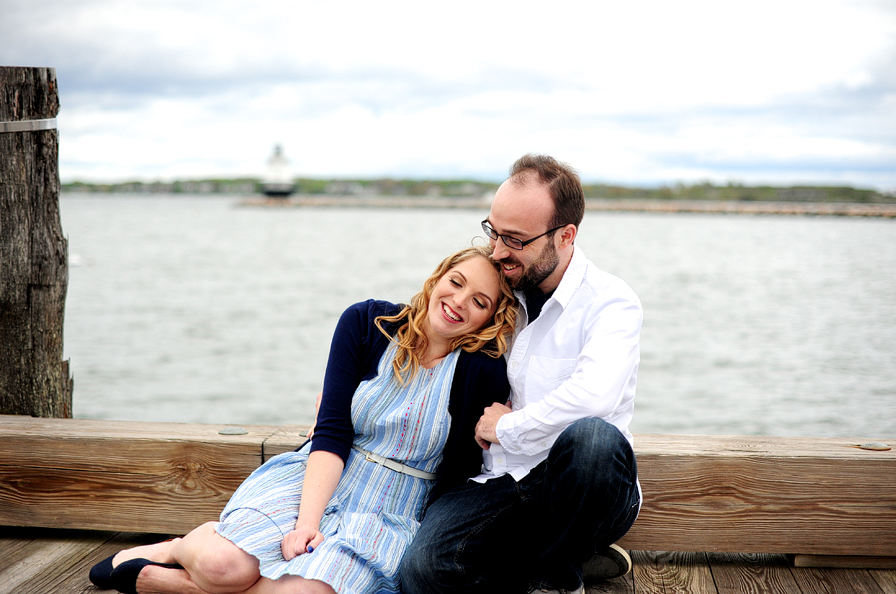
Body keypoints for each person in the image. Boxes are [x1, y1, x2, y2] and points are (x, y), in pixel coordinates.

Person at [88, 246, 519, 594]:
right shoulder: (368, 323)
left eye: (479, 302)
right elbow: (332, 431)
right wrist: (307, 525)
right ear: (438, 277)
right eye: (455, 282)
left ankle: (169, 584)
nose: (459, 302)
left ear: (490, 318)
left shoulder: (480, 372)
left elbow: (459, 473)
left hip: (391, 511)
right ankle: (183, 546)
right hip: (318, 476)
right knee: (225, 568)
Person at [400, 155, 643, 594]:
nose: (496, 251)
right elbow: (431, 319)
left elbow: (595, 397)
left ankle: (559, 576)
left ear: (566, 236)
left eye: (513, 238)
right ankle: (562, 553)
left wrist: (507, 426)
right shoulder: (497, 296)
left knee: (593, 440)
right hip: (499, 486)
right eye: (493, 231)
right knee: (422, 570)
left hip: (582, 488)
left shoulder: (612, 302)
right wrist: (351, 381)